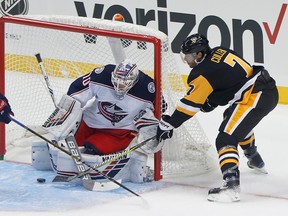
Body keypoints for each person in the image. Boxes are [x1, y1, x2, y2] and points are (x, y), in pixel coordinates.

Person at [156, 33, 279, 202]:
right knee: (232, 121)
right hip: (265, 89)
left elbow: (189, 106)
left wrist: (170, 123)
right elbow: (229, 80)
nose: (187, 61)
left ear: (199, 54)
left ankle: (231, 187)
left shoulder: (201, 73)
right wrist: (212, 100)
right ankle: (255, 160)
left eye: (189, 57)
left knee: (225, 138)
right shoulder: (220, 51)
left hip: (255, 96)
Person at [32, 59, 162, 184]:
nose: (118, 86)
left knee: (93, 148)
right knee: (66, 142)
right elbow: (77, 89)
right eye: (115, 81)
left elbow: (160, 110)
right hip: (89, 121)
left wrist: (150, 127)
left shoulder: (147, 90)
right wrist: (67, 111)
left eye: (122, 84)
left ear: (133, 82)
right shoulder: (102, 75)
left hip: (119, 132)